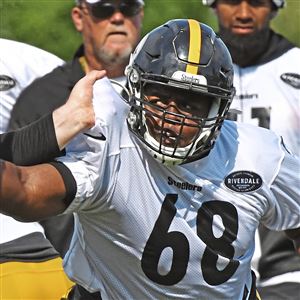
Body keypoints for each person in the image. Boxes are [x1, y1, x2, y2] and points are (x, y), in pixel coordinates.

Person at [1, 19, 300, 300]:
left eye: (188, 105)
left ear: (218, 108)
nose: (171, 120)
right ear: (134, 90)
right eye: (159, 100)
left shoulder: (258, 154)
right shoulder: (110, 148)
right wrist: (55, 127)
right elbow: (21, 188)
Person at [7, 0, 145, 259]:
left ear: (141, 15)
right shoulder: (40, 97)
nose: (117, 17)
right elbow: (17, 189)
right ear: (79, 17)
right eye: (104, 8)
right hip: (72, 272)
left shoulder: (166, 96)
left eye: (128, 8)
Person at [201, 0, 300, 299]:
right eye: (232, 1)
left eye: (256, 2)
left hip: (286, 255)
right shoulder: (188, 69)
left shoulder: (295, 65)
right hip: (203, 250)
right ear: (213, 5)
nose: (244, 13)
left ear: (274, 7)